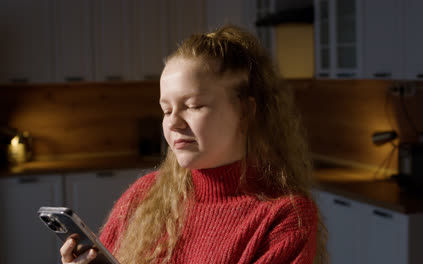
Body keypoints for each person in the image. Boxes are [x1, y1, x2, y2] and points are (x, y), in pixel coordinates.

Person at [60, 25, 328, 264]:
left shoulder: (285, 217)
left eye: (193, 106)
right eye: (166, 110)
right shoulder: (143, 195)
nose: (173, 123)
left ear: (245, 111)